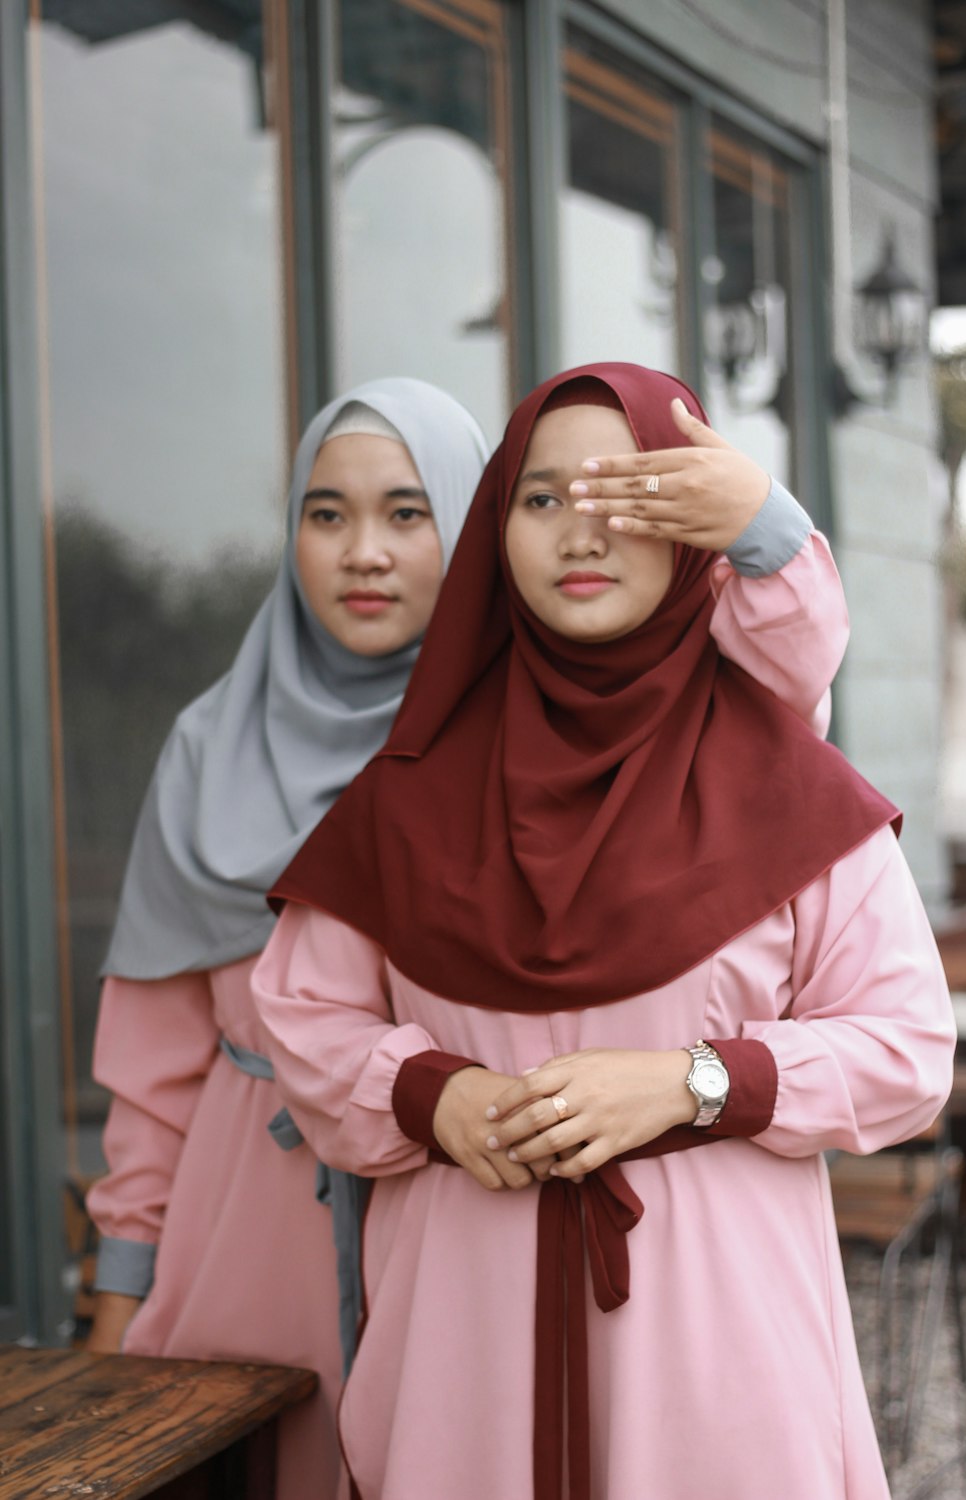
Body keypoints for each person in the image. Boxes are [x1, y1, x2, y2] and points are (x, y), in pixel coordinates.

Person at [253, 363, 956, 1500]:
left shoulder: (787, 789)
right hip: (461, 1353)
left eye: (625, 494)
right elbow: (302, 1019)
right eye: (540, 500)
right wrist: (435, 1096)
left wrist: (691, 1083)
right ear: (496, 531)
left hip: (719, 1353)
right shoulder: (408, 797)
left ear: (692, 531)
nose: (581, 532)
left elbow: (908, 1052)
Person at [84, 377, 490, 1500]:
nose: (363, 551)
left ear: (468, 527)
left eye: (408, 513)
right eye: (326, 514)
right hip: (245, 1231)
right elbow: (153, 1071)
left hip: (462, 1215)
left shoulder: (518, 743)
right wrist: (118, 1304)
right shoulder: (210, 747)